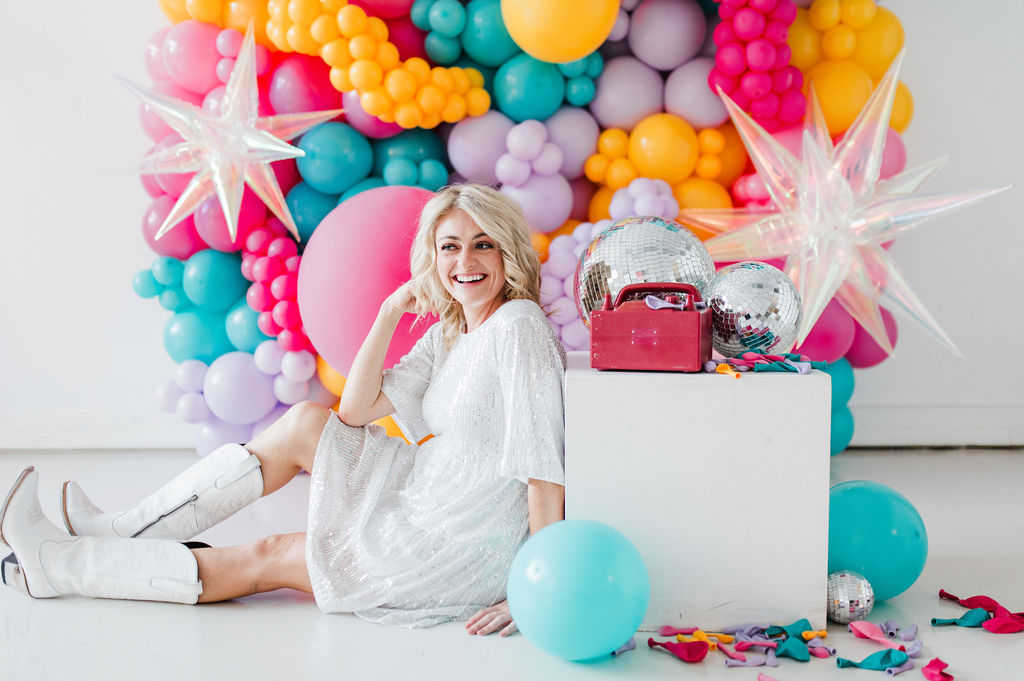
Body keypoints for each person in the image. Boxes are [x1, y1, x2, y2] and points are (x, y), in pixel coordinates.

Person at [0, 184, 566, 636]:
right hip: (422, 491)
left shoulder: (517, 329)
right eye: (450, 246)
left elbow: (543, 467)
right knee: (306, 424)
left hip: (460, 540)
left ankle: (59, 567)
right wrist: (390, 310)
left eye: (482, 244)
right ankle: (120, 532)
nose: (465, 261)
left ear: (507, 251)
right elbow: (355, 409)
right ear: (432, 257)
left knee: (275, 552)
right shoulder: (454, 331)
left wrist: (538, 585)